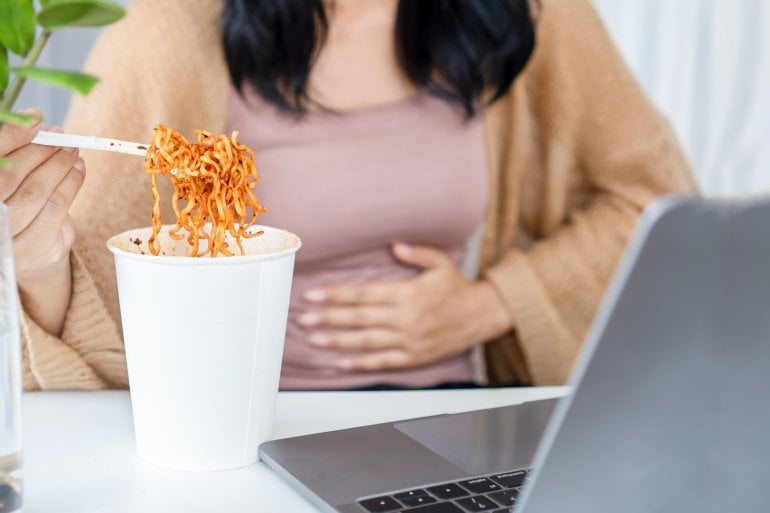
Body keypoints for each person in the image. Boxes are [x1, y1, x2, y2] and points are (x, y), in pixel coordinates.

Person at [3, 0, 697, 391]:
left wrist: (496, 303)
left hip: (456, 418)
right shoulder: (172, 29)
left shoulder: (518, 16)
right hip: (250, 431)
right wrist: (35, 259)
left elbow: (662, 203)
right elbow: (88, 297)